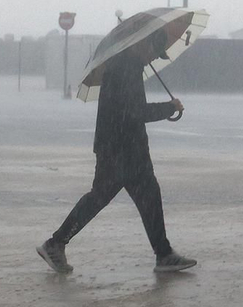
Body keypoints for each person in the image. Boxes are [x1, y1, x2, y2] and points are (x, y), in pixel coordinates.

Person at [38, 31, 197, 274]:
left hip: (119, 146)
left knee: (134, 196)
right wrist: (169, 107)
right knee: (106, 197)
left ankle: (163, 254)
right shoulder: (126, 67)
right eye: (154, 52)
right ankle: (55, 243)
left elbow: (130, 110)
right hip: (123, 148)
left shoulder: (124, 65)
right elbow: (135, 112)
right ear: (143, 44)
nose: (153, 59)